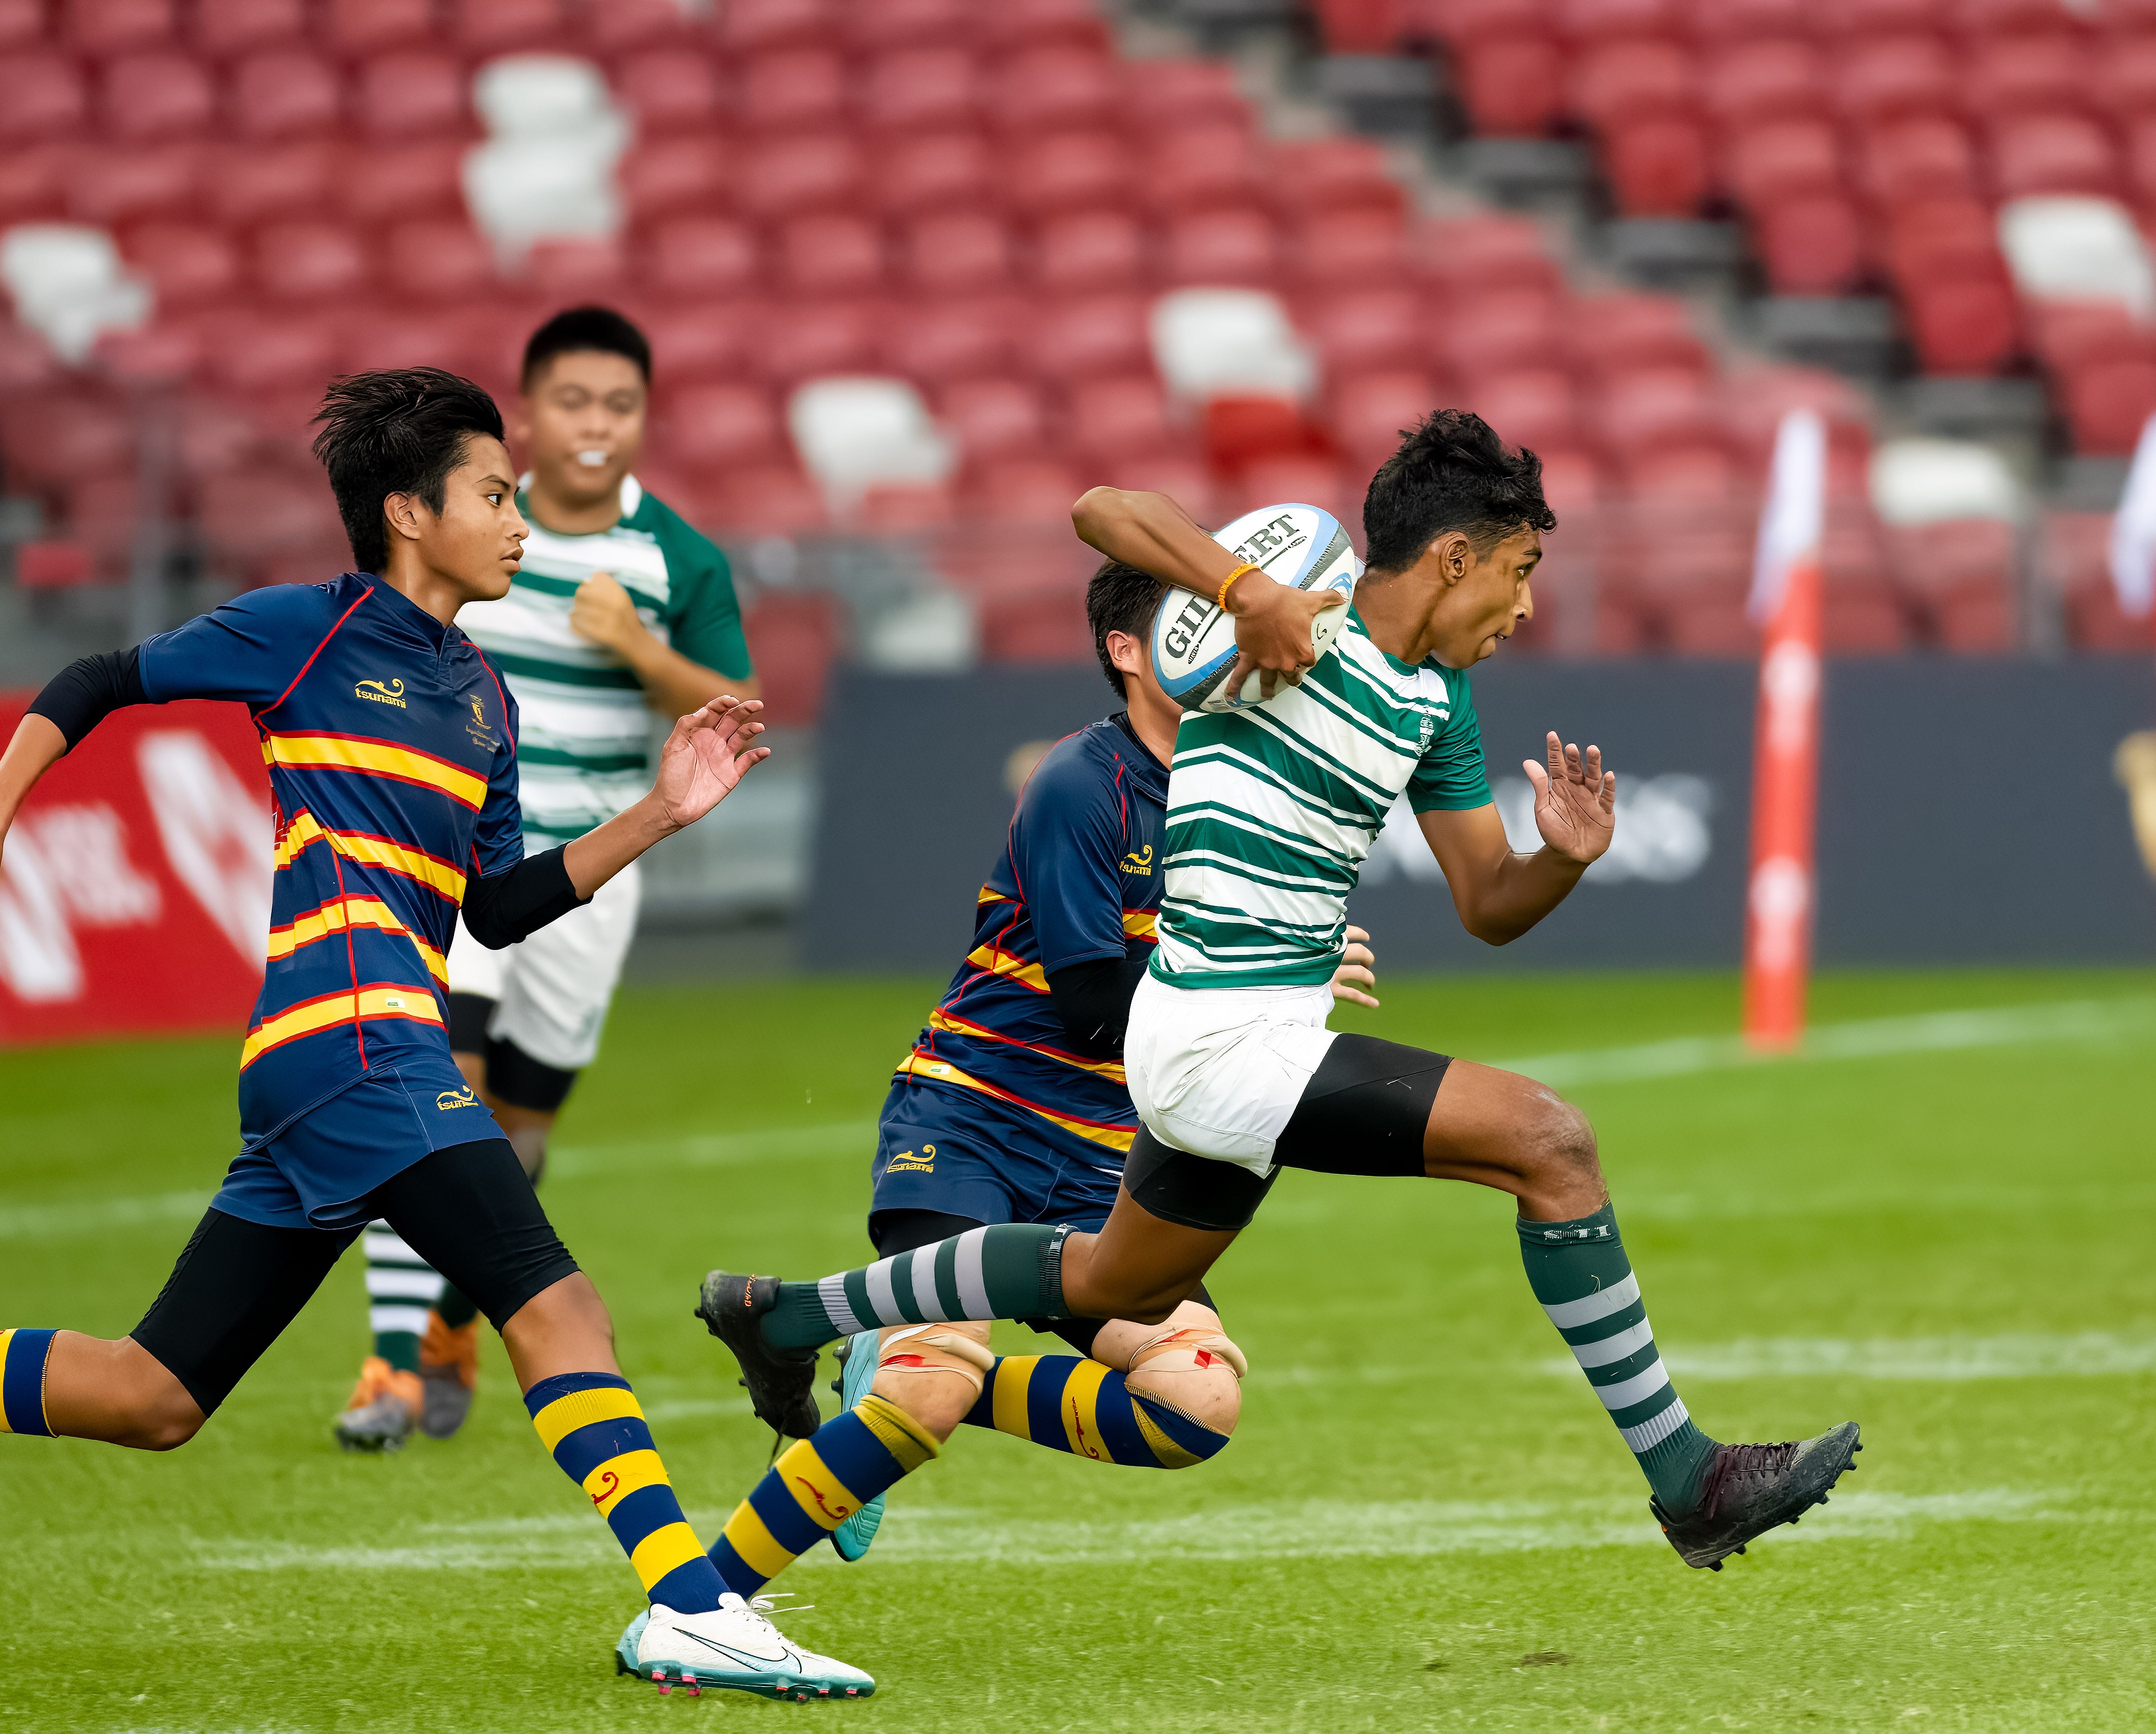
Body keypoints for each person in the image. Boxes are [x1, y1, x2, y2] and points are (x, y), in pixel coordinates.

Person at [0, 368, 873, 1702]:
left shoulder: (484, 702)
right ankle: (686, 1603)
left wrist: (663, 813)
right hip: (355, 1045)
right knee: (555, 1301)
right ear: (406, 512)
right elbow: (103, 675)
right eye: (495, 496)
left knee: (155, 1394)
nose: (520, 522)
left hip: (338, 1066)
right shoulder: (306, 635)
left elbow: (495, 910)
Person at [697, 412, 1860, 1575]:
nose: (1526, 607)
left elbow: (1486, 903)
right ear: (1455, 557)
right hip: (1213, 1040)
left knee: (1111, 1279)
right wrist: (1240, 587)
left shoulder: (1440, 705)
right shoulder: (1298, 616)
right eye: (1519, 571)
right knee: (1549, 1142)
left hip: (1251, 1043)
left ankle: (787, 1314)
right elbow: (1103, 510)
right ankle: (1685, 1478)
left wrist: (1560, 857)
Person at [690, 558, 1382, 1604]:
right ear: (1126, 652)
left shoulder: (1244, 787)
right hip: (973, 1122)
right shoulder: (1079, 783)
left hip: (1106, 1157)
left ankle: (902, 1360)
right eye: (1194, 618)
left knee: (1194, 1409)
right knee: (925, 1393)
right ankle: (701, 1604)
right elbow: (1095, 1009)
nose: (1225, 633)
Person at [338, 307, 760, 1452]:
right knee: (430, 1097)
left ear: (643, 420)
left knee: (516, 1142)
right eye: (573, 402)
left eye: (619, 406)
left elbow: (732, 712)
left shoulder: (676, 558)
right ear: (528, 413)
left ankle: (451, 1322)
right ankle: (387, 1360)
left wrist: (633, 645)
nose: (595, 425)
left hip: (591, 877)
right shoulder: (472, 520)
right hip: (456, 862)